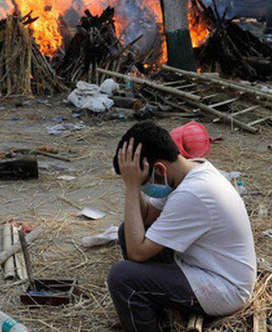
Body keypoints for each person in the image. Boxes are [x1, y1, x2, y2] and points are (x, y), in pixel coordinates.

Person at [107, 121, 256, 332]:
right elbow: (147, 216)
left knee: (122, 278)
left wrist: (132, 187)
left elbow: (137, 253)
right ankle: (149, 310)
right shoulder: (191, 171)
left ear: (159, 169)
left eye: (144, 182)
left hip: (225, 288)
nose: (143, 187)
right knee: (127, 231)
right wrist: (133, 181)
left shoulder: (193, 193)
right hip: (208, 268)